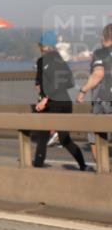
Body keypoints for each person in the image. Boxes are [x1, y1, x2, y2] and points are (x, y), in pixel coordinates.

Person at [32, 31, 87, 170]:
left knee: (43, 136)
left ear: (44, 46)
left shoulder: (42, 61)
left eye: (40, 45)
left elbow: (38, 84)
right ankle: (83, 165)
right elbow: (70, 82)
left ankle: (38, 166)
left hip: (52, 103)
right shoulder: (61, 60)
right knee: (65, 139)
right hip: (65, 103)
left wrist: (44, 99)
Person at [76, 23, 112, 164]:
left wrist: (82, 91)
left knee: (94, 131)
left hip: (104, 99)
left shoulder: (100, 53)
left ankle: (101, 166)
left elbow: (98, 74)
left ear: (103, 37)